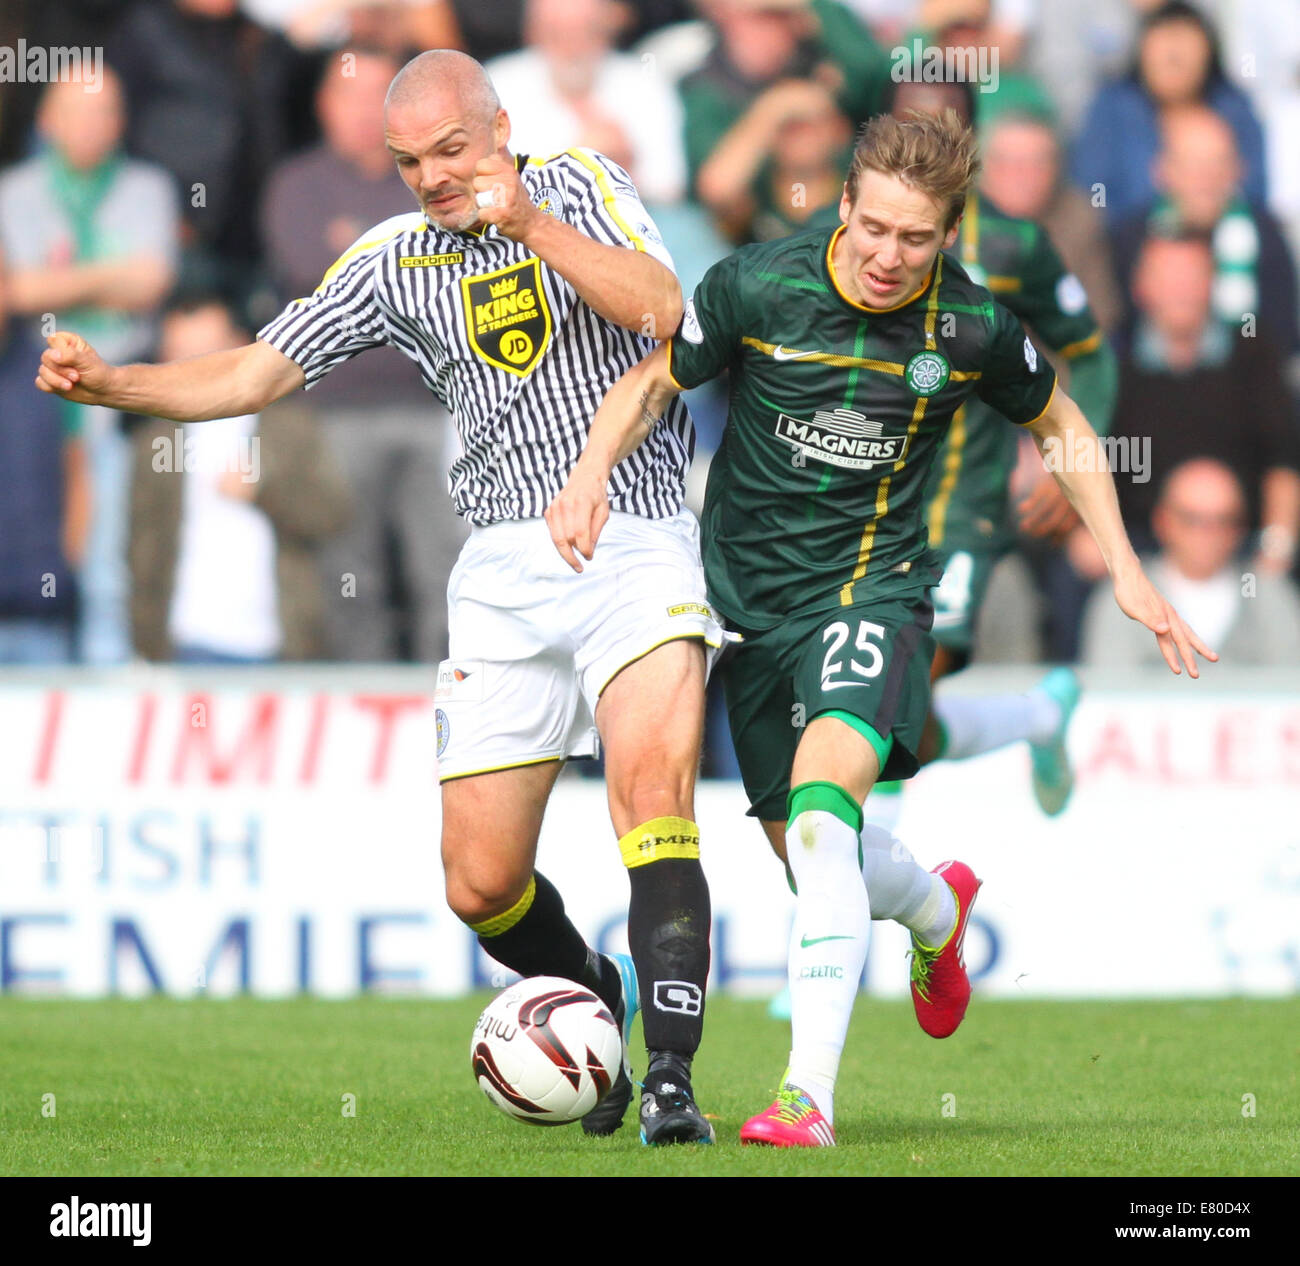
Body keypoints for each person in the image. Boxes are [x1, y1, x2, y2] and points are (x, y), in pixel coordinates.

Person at [36, 49, 718, 1146]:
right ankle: (601, 993)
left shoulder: (579, 185)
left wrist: (531, 227)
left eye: (453, 149)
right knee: (481, 885)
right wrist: (115, 382)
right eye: (410, 161)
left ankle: (675, 1084)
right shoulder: (390, 260)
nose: (434, 176)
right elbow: (256, 372)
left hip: (630, 530)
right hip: (500, 564)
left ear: (500, 128)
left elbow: (660, 307)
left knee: (652, 796)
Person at [547, 108, 1215, 1146]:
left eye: (918, 239)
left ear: (947, 234)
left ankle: (804, 1102)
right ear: (844, 202)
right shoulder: (756, 286)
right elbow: (650, 386)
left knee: (822, 820)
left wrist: (1127, 570)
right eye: (874, 230)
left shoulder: (968, 327)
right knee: (809, 853)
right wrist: (589, 472)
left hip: (874, 593)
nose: (889, 258)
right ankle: (937, 914)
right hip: (749, 613)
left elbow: (1062, 423)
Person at [261, 45, 467, 663]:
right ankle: (365, 701)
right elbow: (308, 271)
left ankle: (449, 703)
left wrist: (354, 245)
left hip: (438, 407)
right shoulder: (296, 183)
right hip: (335, 408)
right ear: (323, 103)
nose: (364, 112)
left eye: (380, 98)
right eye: (351, 94)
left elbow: (453, 277)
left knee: (445, 568)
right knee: (351, 575)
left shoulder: (430, 183)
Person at [129, 293, 352, 664]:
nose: (189, 371)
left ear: (239, 349)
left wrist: (264, 491)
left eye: (205, 356)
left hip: (281, 644)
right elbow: (138, 548)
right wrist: (145, 643)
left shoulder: (290, 427)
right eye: (177, 359)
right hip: (187, 644)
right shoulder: (155, 442)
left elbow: (331, 515)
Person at [1082, 459, 1300, 668]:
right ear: (1162, 521)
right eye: (1192, 519)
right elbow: (1110, 689)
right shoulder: (1127, 594)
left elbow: (1290, 686)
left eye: (1223, 520)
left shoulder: (1267, 593)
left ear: (1239, 528)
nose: (1207, 534)